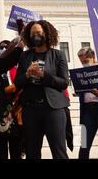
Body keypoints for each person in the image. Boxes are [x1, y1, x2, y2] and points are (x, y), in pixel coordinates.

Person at [15, 20, 70, 159]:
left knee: (59, 152)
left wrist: (43, 75)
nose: (35, 36)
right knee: (32, 153)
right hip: (31, 110)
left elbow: (64, 82)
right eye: (32, 33)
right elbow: (17, 83)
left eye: (38, 33)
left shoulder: (58, 55)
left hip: (53, 109)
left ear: (46, 34)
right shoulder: (25, 56)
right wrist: (27, 75)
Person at [0, 40, 24, 159]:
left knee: (16, 146)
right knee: (1, 147)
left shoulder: (17, 68)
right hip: (1, 113)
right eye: (0, 47)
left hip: (16, 112)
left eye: (5, 47)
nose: (3, 49)